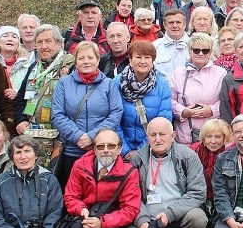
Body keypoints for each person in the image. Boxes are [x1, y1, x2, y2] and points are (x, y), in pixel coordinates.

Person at [123, 118, 208, 228]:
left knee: (198, 218)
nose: (158, 139)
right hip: (149, 218)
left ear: (173, 135)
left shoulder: (188, 156)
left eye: (162, 134)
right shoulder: (138, 159)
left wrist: (170, 214)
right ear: (147, 137)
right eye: (153, 135)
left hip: (179, 216)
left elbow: (198, 193)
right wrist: (142, 221)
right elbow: (130, 195)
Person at [61, 129, 140, 228]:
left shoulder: (129, 172)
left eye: (111, 146)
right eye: (100, 146)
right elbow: (70, 197)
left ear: (119, 149)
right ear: (94, 148)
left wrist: (102, 222)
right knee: (76, 227)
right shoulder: (80, 165)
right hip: (85, 214)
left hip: (110, 217)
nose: (105, 150)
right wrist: (81, 209)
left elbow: (130, 210)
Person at [51, 41, 123, 187]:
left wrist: (92, 137)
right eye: (81, 58)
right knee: (72, 191)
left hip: (101, 150)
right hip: (72, 150)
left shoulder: (108, 84)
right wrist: (78, 136)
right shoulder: (64, 83)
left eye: (90, 58)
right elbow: (57, 115)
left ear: (97, 60)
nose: (86, 62)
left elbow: (115, 113)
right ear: (75, 62)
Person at [114, 41, 172, 160]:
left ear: (152, 60)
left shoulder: (162, 85)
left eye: (147, 57)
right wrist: (124, 150)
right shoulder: (117, 83)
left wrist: (142, 150)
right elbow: (113, 119)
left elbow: (163, 120)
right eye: (138, 57)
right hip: (121, 150)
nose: (143, 61)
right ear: (130, 60)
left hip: (151, 149)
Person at [14, 24, 73, 138]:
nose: (44, 46)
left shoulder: (70, 65)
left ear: (59, 43)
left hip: (61, 134)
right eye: (39, 42)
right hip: (32, 132)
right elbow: (21, 97)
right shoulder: (34, 67)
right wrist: (20, 120)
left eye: (48, 41)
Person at [170, 33, 224, 146]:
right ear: (190, 51)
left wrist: (212, 110)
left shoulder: (221, 73)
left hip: (213, 135)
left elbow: (226, 101)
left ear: (210, 53)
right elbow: (170, 100)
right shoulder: (177, 74)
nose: (200, 53)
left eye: (205, 50)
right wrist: (183, 112)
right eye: (196, 50)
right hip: (185, 136)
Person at [191, 118, 232, 219]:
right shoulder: (193, 151)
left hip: (224, 199)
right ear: (203, 138)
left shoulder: (230, 154)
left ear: (224, 138)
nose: (213, 141)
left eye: (217, 137)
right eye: (209, 136)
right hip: (198, 198)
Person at [0, 25, 31, 100]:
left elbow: (32, 92)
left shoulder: (27, 65)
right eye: (5, 36)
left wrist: (17, 93)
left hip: (17, 108)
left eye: (14, 37)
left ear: (18, 43)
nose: (10, 39)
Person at [153, 9, 190, 81]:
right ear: (164, 25)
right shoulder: (155, 47)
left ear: (185, 24)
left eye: (178, 22)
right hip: (163, 90)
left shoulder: (195, 46)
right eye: (171, 22)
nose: (175, 26)